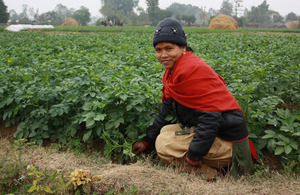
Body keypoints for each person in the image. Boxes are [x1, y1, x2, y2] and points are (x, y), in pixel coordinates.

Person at [132, 18, 256, 180]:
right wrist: (147, 141)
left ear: (183, 47)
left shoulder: (192, 70)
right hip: (216, 132)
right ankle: (206, 164)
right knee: (165, 131)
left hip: (229, 143)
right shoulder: (174, 72)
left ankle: (211, 174)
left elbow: (211, 118)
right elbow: (165, 111)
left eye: (169, 48)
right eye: (158, 49)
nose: (163, 55)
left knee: (164, 145)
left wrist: (193, 157)